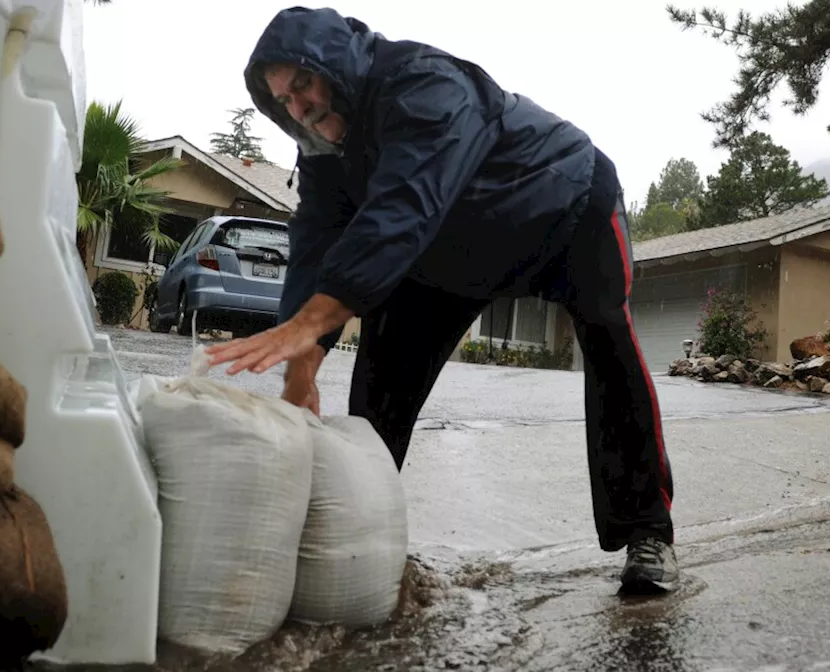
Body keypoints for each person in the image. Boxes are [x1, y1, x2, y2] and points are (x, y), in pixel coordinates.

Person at [205, 6, 678, 594]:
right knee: (378, 393)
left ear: (336, 64)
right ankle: (352, 537)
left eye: (303, 84)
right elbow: (315, 244)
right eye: (284, 101)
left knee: (610, 343)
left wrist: (320, 316)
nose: (299, 108)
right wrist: (301, 371)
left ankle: (648, 533)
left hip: (564, 208)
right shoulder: (325, 149)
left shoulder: (425, 84)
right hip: (450, 251)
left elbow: (403, 207)